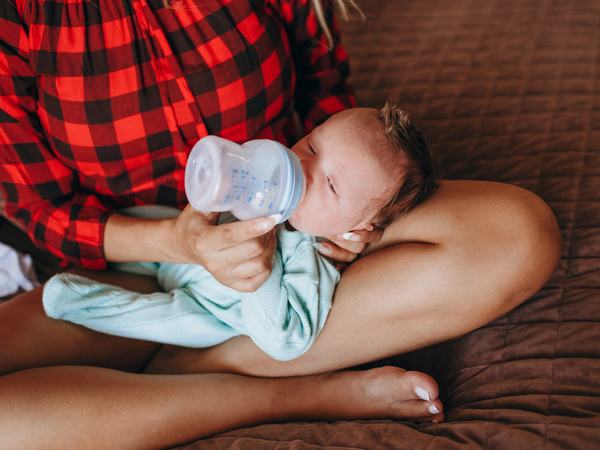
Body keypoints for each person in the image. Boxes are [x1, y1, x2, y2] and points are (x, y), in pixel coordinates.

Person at [0, 0, 561, 447]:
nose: (300, 158)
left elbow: (331, 110)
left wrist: (340, 224)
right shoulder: (21, 17)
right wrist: (178, 240)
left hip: (302, 225)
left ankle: (194, 366)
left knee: (516, 233)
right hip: (136, 255)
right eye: (307, 149)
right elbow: (40, 210)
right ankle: (301, 392)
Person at [42, 105, 433, 362]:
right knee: (143, 217)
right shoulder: (263, 182)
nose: (301, 165)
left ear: (355, 230)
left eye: (329, 185)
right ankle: (92, 255)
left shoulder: (314, 262)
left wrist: (260, 276)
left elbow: (285, 341)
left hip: (209, 309)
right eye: (312, 144)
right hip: (180, 248)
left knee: (167, 322)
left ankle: (77, 301)